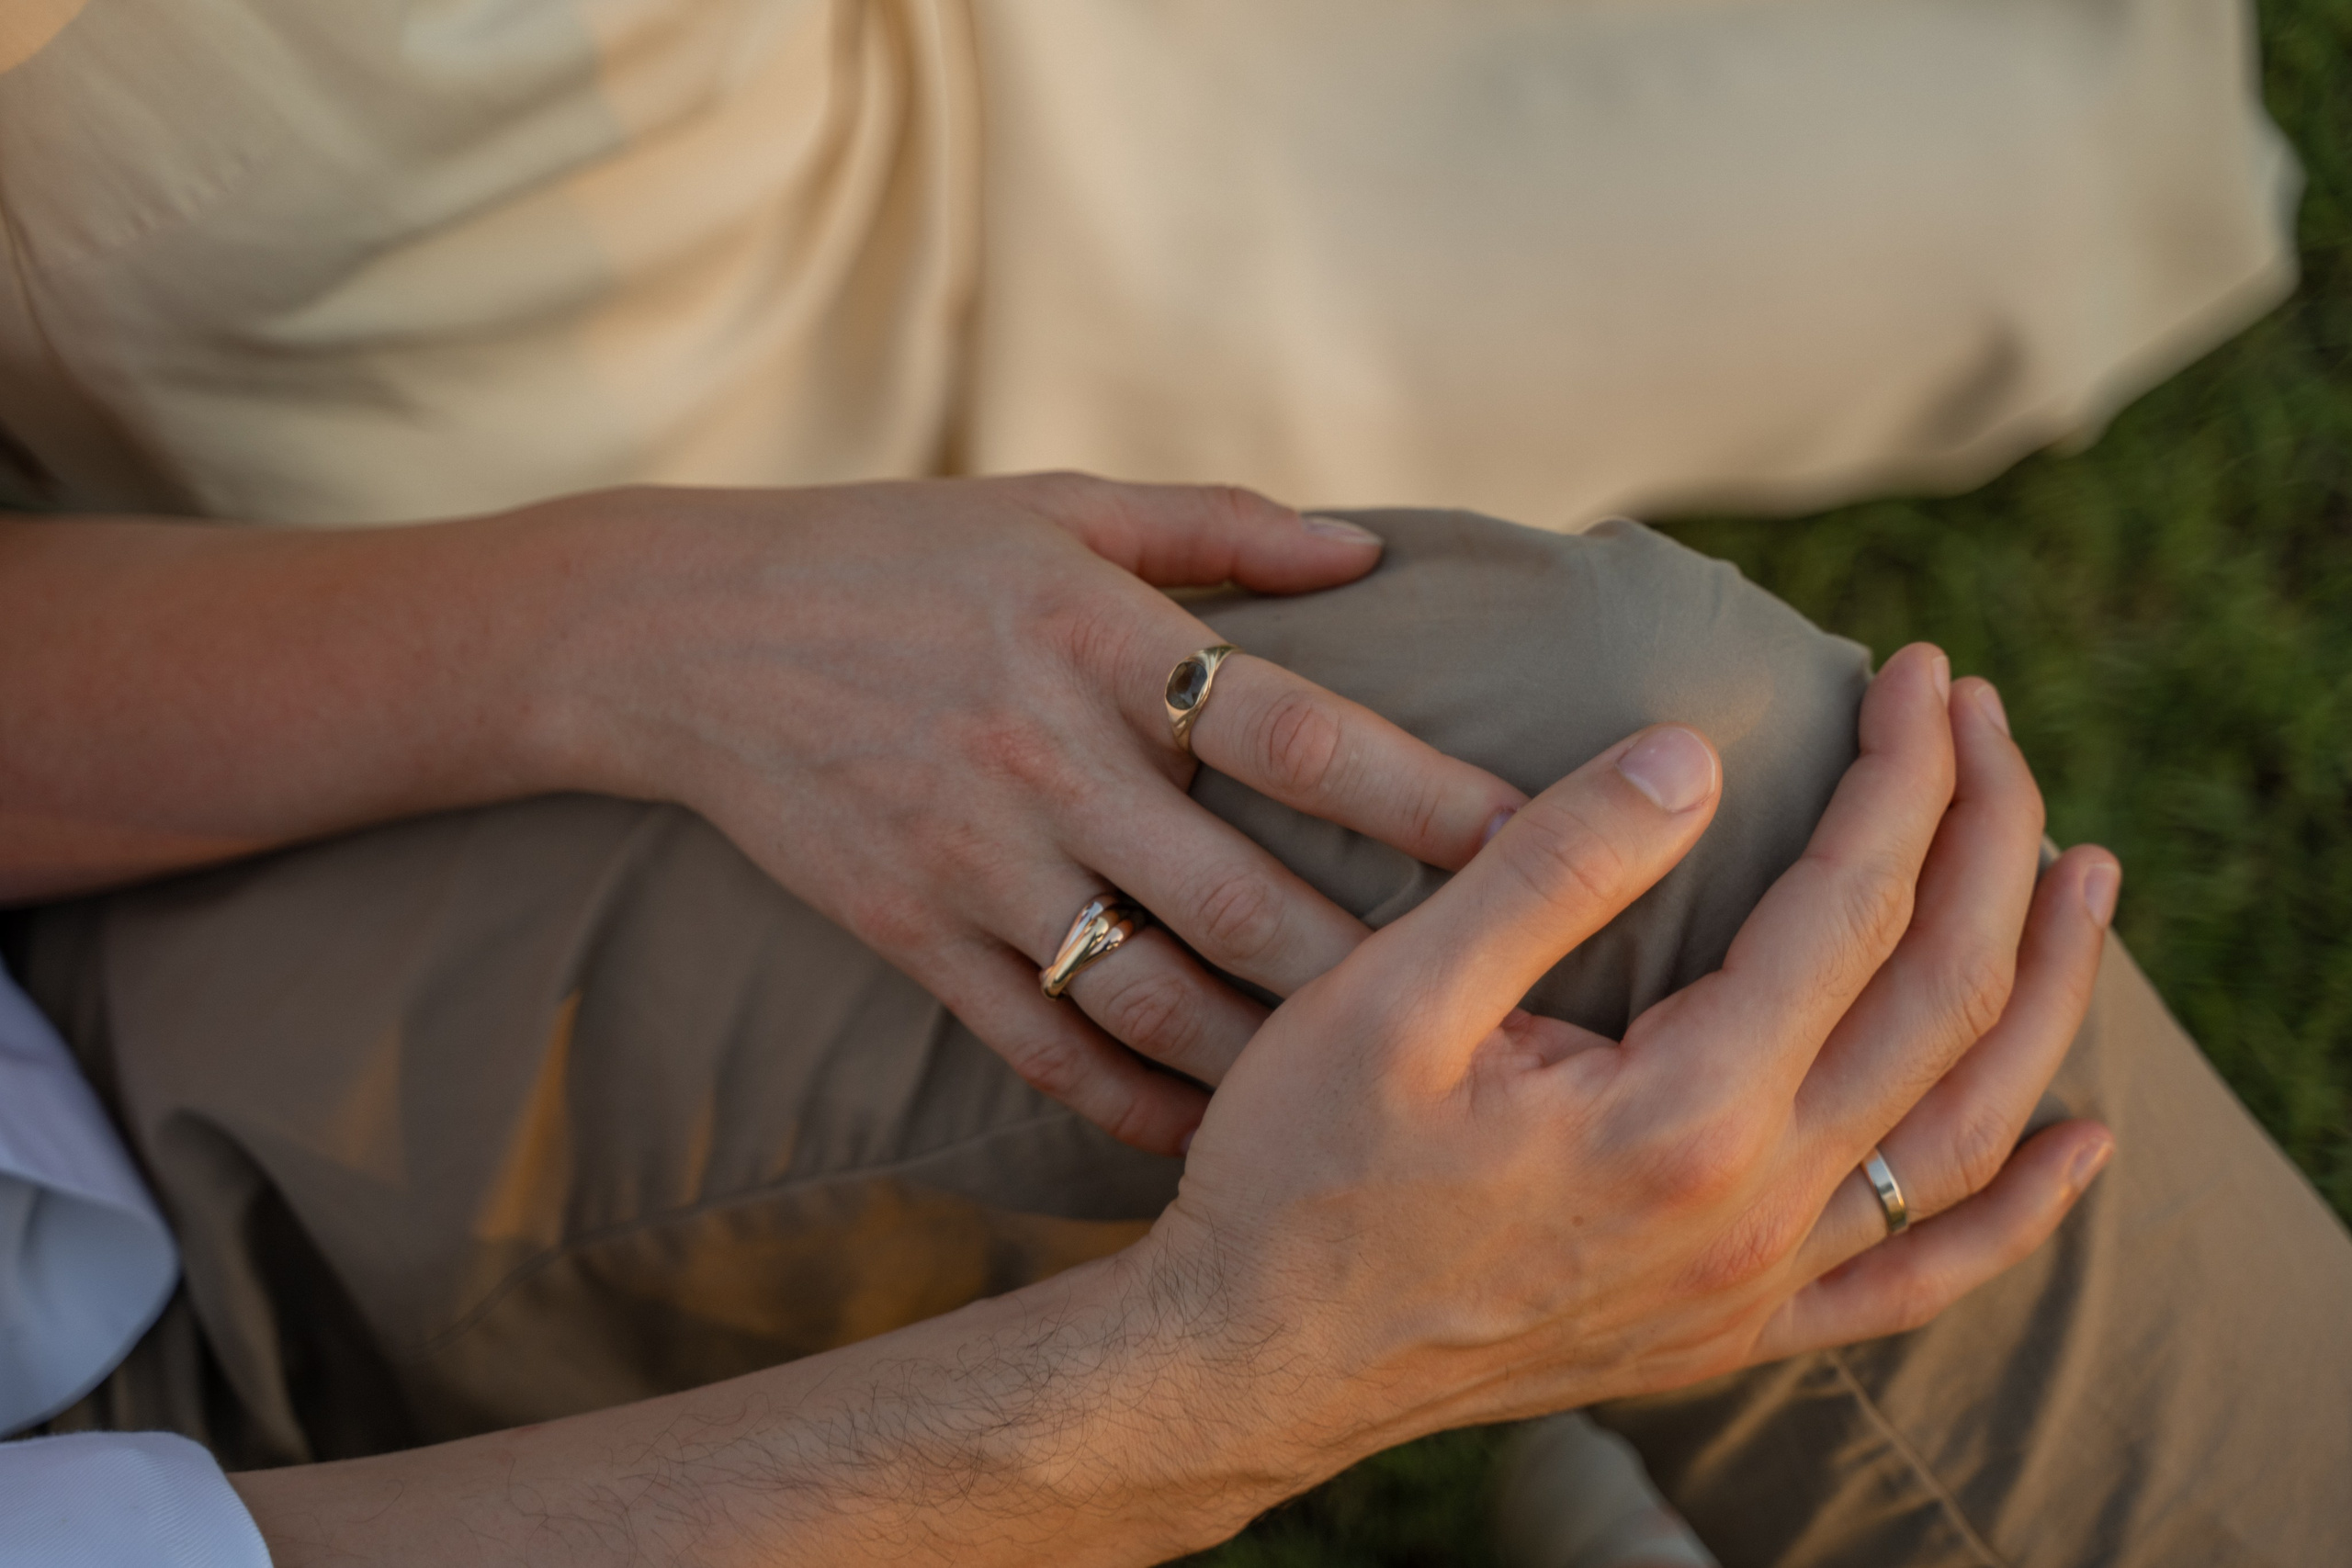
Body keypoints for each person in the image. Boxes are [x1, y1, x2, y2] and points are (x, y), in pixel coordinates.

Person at [2, 3, 2346, 1566]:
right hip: (232, 1444)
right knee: (1630, 896)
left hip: (88, 1032)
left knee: (1613, 782)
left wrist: (634, 618)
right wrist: (1225, 1387)